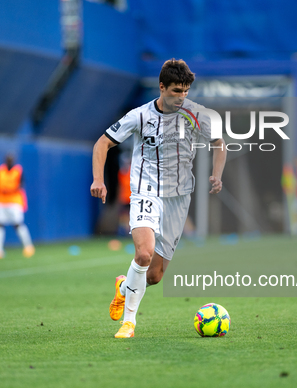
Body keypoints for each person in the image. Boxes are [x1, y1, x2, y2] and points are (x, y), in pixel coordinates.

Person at [91, 59, 227, 338]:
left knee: (154, 276)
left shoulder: (195, 114)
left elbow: (219, 143)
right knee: (143, 253)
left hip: (178, 198)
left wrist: (216, 174)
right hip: (146, 190)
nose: (181, 97)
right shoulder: (139, 116)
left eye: (186, 91)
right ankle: (129, 322)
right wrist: (98, 179)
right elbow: (102, 143)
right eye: (176, 90)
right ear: (162, 87)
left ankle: (123, 286)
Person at [0, 154, 34, 260]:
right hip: (0, 201)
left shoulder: (18, 170)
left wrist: (9, 189)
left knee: (17, 224)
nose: (9, 161)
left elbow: (21, 185)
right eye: (8, 159)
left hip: (14, 201)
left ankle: (28, 247)